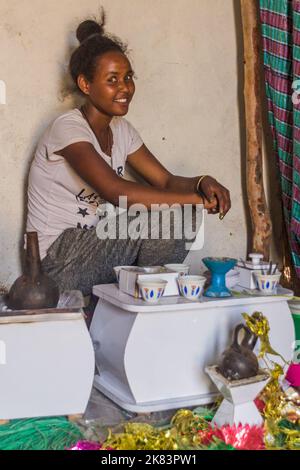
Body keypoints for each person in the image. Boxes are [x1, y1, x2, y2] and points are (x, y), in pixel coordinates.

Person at [26, 12, 231, 300]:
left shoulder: (122, 131)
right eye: (112, 80)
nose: (125, 88)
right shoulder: (67, 128)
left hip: (96, 249)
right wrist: (196, 200)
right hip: (57, 262)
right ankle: (147, 298)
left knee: (181, 213)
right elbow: (116, 191)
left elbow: (166, 181)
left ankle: (141, 300)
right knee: (174, 214)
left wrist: (201, 182)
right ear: (86, 85)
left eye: (128, 77)